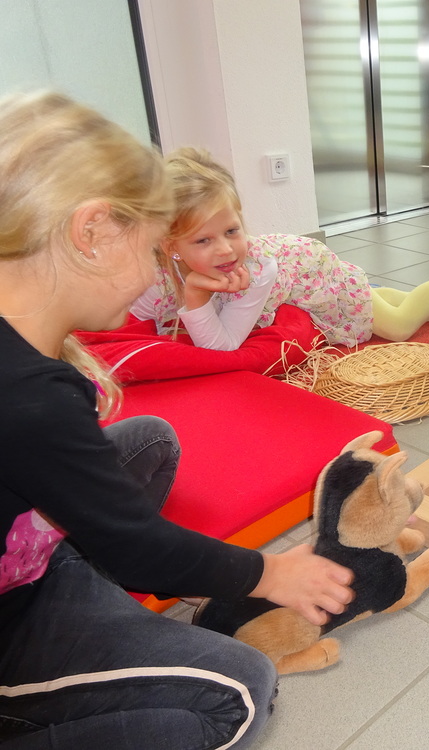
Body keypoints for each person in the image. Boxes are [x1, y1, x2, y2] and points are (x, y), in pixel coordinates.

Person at [0, 91, 355, 748]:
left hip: (31, 552)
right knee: (240, 692)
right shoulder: (29, 395)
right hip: (12, 618)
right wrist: (272, 572)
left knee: (149, 440)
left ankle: (82, 580)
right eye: (147, 247)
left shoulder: (30, 360)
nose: (149, 274)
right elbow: (136, 544)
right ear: (91, 233)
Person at [132, 147, 429, 351]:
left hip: (308, 270)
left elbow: (222, 347)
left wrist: (195, 295)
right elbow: (138, 321)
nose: (226, 250)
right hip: (295, 264)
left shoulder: (256, 269)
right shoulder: (153, 273)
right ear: (170, 246)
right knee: (382, 300)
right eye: (203, 240)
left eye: (232, 231)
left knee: (397, 326)